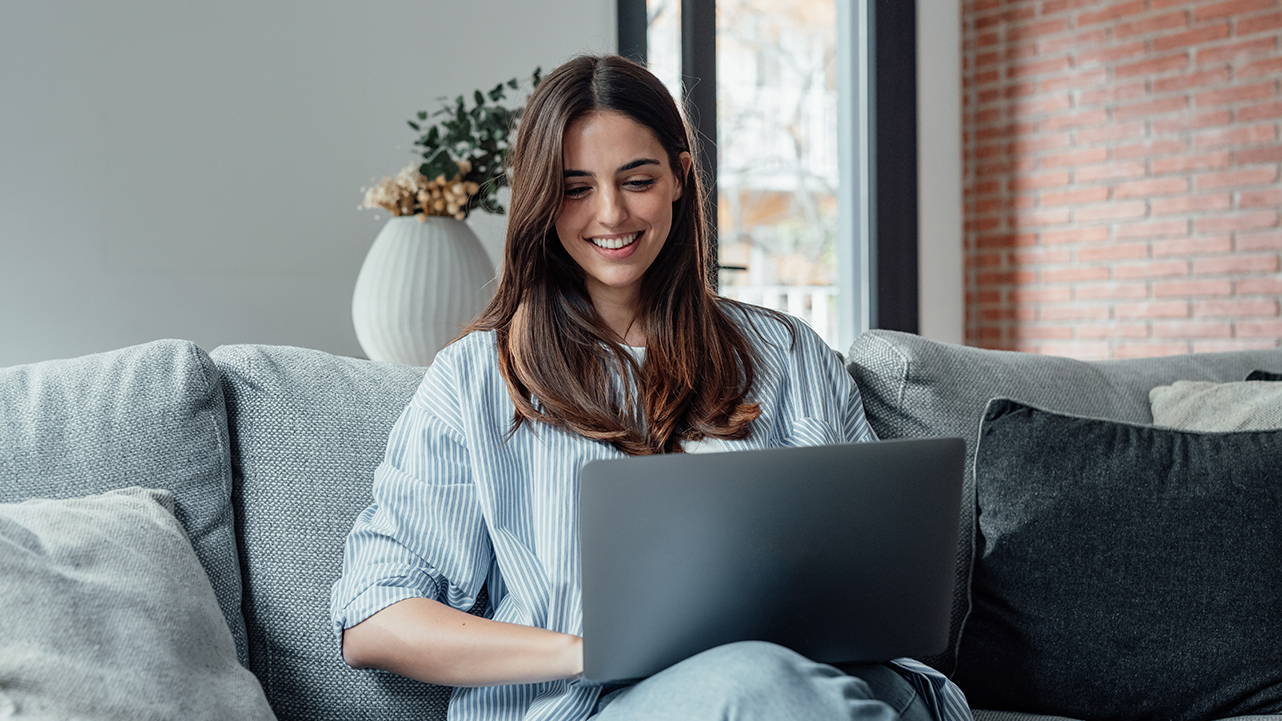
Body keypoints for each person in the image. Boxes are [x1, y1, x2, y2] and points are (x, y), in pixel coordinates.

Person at [330, 54, 971, 721]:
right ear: (540, 199)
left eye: (637, 180)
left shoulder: (787, 355)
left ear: (679, 180)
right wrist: (587, 650)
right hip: (588, 704)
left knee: (869, 689)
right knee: (756, 681)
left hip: (801, 684)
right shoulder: (475, 379)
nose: (610, 214)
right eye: (575, 188)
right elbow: (375, 617)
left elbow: (874, 575)